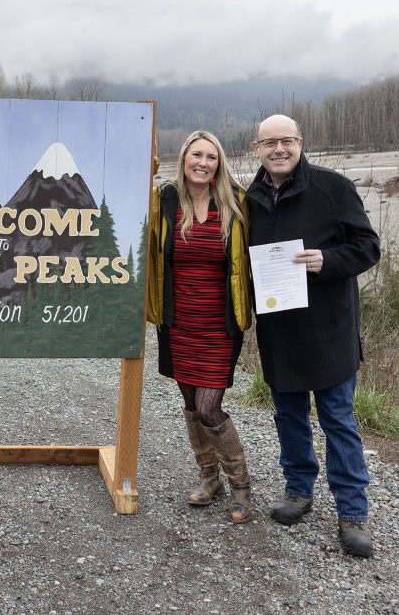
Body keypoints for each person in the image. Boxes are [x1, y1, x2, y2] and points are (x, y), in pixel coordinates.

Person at [246, 114, 380, 557]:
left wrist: (328, 261)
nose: (279, 149)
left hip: (330, 330)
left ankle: (353, 512)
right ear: (256, 149)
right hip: (279, 332)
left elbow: (367, 246)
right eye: (270, 143)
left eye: (287, 141)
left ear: (300, 143)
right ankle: (299, 491)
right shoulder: (249, 199)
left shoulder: (333, 187)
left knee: (338, 421)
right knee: (289, 417)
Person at [154, 131, 254, 523]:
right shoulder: (164, 200)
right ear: (183, 158)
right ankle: (208, 477)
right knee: (191, 404)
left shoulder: (236, 202)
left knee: (210, 405)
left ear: (219, 163)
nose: (203, 163)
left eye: (211, 157)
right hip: (178, 321)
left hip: (219, 323)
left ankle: (241, 486)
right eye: (197, 154)